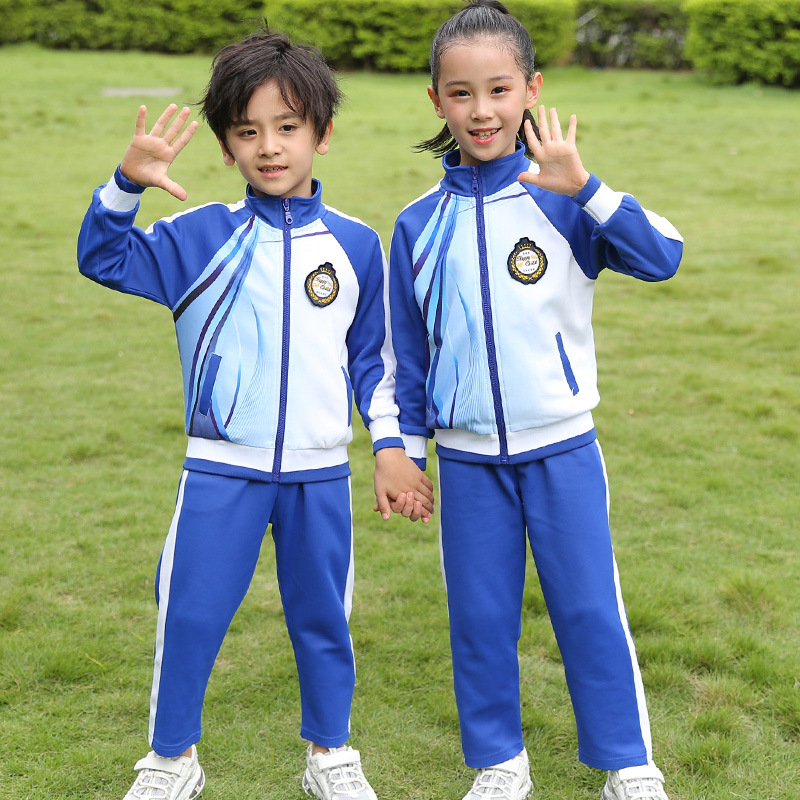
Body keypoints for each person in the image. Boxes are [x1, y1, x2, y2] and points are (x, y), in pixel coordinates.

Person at [78, 28, 434, 800]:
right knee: (191, 616)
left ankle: (329, 755)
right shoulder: (197, 237)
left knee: (323, 621)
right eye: (248, 132)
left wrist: (391, 448)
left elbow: (374, 364)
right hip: (220, 470)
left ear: (322, 134)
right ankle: (172, 759)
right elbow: (102, 258)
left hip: (317, 472)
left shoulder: (356, 246)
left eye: (287, 127)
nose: (269, 148)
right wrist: (124, 186)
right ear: (225, 145)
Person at [388, 2, 683, 799]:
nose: (481, 111)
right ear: (436, 101)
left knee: (589, 609)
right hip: (470, 463)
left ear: (531, 90)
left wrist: (585, 187)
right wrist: (401, 451)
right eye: (460, 93)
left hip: (564, 451)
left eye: (498, 89)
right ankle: (498, 763)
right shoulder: (417, 225)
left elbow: (663, 257)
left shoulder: (564, 199)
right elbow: (405, 357)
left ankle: (627, 763)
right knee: (480, 618)